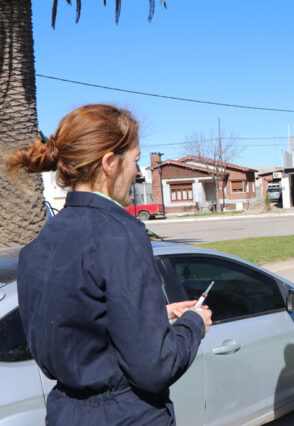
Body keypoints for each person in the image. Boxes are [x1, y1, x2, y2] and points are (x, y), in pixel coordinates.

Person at [4, 104, 213, 425]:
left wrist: (156, 316)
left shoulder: (43, 241)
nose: (139, 172)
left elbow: (78, 327)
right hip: (126, 415)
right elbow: (155, 367)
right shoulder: (121, 234)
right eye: (135, 160)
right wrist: (193, 324)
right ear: (109, 163)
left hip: (65, 413)